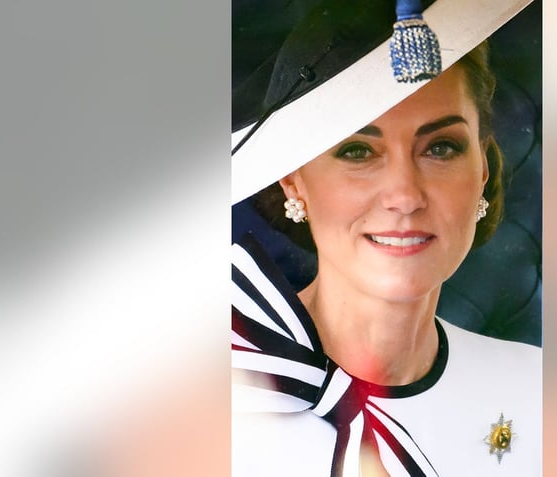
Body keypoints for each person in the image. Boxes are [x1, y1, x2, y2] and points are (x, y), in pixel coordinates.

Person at [231, 1, 540, 475]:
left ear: (481, 169)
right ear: (294, 181)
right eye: (358, 151)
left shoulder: (539, 394)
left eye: (441, 148)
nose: (404, 195)